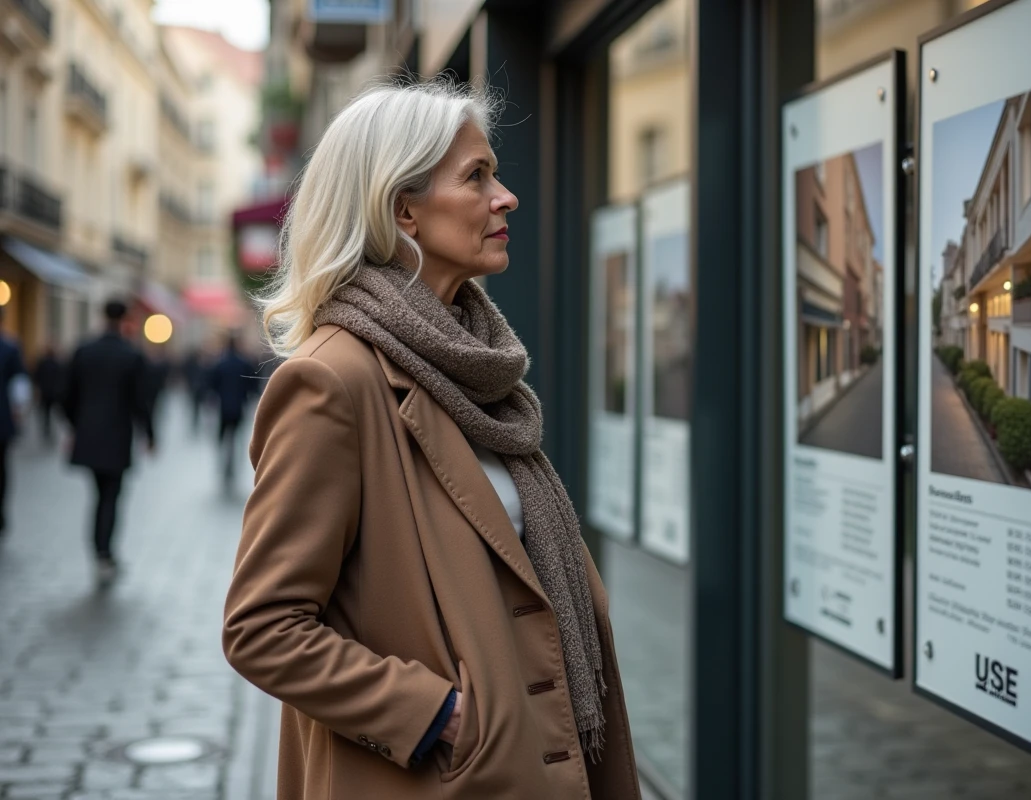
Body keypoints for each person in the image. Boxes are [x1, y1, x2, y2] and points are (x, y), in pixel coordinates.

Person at [222, 81, 639, 800]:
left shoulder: (476, 368)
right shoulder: (332, 383)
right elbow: (263, 627)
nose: (505, 197)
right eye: (477, 176)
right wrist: (438, 716)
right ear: (401, 208)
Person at [62, 299, 155, 582]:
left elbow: (66, 396)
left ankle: (99, 549)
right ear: (125, 318)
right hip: (117, 437)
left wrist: (76, 425)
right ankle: (104, 552)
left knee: (98, 494)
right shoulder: (131, 355)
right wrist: (150, 434)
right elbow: (141, 401)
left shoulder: (83, 351)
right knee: (111, 497)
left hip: (89, 436)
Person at [208, 334, 255, 491]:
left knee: (223, 438)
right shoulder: (244, 364)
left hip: (223, 407)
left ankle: (224, 465)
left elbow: (212, 385)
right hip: (239, 407)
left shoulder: (220, 364)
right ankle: (233, 465)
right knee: (237, 437)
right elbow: (252, 385)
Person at [0, 306, 26, 536]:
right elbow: (19, 385)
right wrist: (18, 412)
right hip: (3, 418)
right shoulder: (10, 347)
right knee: (2, 468)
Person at [33, 345, 62, 444]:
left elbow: (36, 377)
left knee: (45, 412)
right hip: (54, 392)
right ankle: (50, 428)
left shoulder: (42, 363)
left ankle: (47, 428)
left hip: (45, 391)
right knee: (52, 412)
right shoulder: (56, 363)